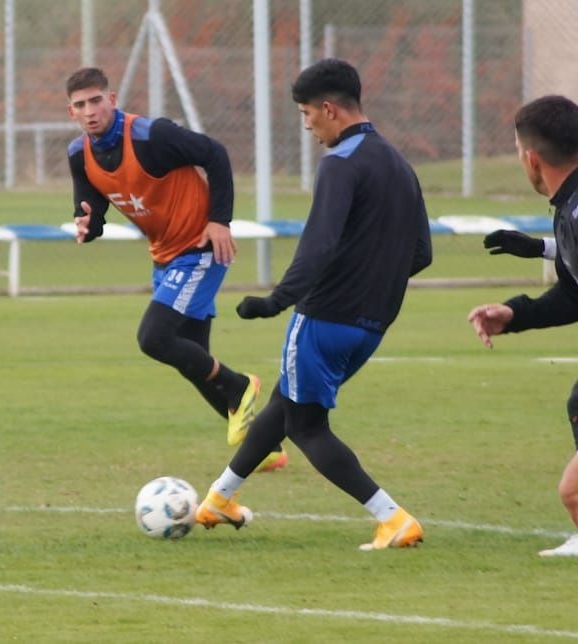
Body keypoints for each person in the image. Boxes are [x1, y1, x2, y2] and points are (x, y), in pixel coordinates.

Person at [194, 58, 433, 550]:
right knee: (286, 403)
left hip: (325, 318)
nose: (306, 126)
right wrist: (372, 284)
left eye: (306, 114)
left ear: (329, 109)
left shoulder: (340, 163)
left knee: (306, 427)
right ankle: (219, 498)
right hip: (372, 324)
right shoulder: (401, 165)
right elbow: (421, 253)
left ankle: (392, 518)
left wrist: (277, 300)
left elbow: (319, 244)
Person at [64, 66, 285, 472]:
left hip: (200, 247)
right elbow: (92, 210)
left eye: (96, 100)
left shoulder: (152, 136)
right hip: (164, 257)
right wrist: (86, 225)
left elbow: (214, 153)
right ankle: (264, 448)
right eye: (81, 105)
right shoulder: (80, 154)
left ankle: (240, 385)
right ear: (71, 113)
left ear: (112, 100)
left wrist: (220, 220)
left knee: (153, 338)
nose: (90, 110)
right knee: (191, 359)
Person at [467, 94, 578, 558]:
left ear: (530, 158)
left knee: (573, 492)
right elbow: (574, 292)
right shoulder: (568, 204)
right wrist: (516, 314)